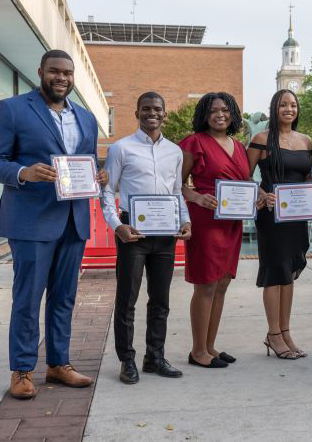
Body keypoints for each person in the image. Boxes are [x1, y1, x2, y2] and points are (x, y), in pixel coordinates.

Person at [0, 49, 108, 399]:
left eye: (68, 73)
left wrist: (98, 176)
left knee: (64, 297)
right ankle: (21, 370)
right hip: (32, 221)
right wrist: (22, 173)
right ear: (41, 72)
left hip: (74, 220)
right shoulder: (14, 109)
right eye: (55, 72)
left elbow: (87, 161)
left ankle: (58, 364)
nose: (62, 78)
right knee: (28, 298)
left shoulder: (87, 118)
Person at [102, 92, 191, 384]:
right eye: (146, 109)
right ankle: (127, 360)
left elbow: (177, 191)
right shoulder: (121, 148)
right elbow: (107, 191)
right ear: (137, 113)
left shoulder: (175, 152)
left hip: (165, 234)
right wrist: (117, 226)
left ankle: (154, 356)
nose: (152, 113)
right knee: (127, 299)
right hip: (133, 233)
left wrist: (185, 220)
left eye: (157, 109)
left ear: (165, 114)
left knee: (161, 300)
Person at [180, 93, 249, 368]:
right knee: (206, 284)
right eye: (213, 111)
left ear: (233, 113)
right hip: (206, 220)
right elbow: (175, 183)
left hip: (233, 221)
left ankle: (210, 346)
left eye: (225, 110)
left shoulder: (239, 146)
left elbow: (244, 183)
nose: (220, 114)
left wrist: (255, 197)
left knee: (222, 283)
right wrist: (196, 197)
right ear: (204, 115)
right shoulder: (193, 142)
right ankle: (197, 351)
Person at [247, 89, 312, 360]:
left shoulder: (307, 140)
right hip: (272, 216)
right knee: (275, 274)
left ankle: (284, 332)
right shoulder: (261, 139)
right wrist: (261, 195)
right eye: (283, 104)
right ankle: (273, 334)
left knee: (290, 274)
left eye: (293, 104)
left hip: (297, 216)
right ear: (274, 108)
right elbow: (243, 177)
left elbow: (308, 178)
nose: (289, 108)